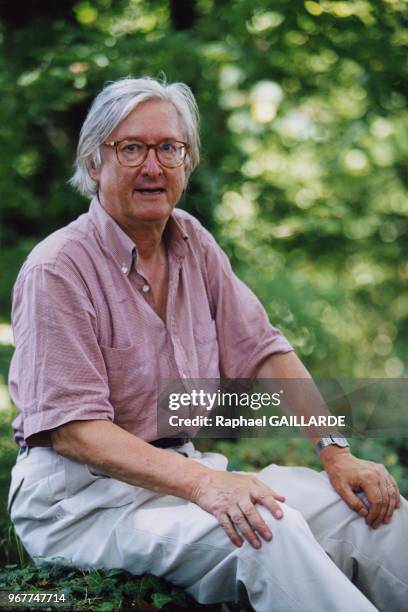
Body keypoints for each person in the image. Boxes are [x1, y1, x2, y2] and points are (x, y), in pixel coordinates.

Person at [7, 76, 408, 612]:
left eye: (168, 148)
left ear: (187, 160)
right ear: (94, 162)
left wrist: (335, 452)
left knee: (370, 511)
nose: (153, 166)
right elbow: (77, 432)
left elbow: (264, 351)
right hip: (80, 504)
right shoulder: (57, 269)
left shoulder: (192, 241)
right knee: (265, 531)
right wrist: (205, 484)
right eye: (131, 148)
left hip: (180, 476)